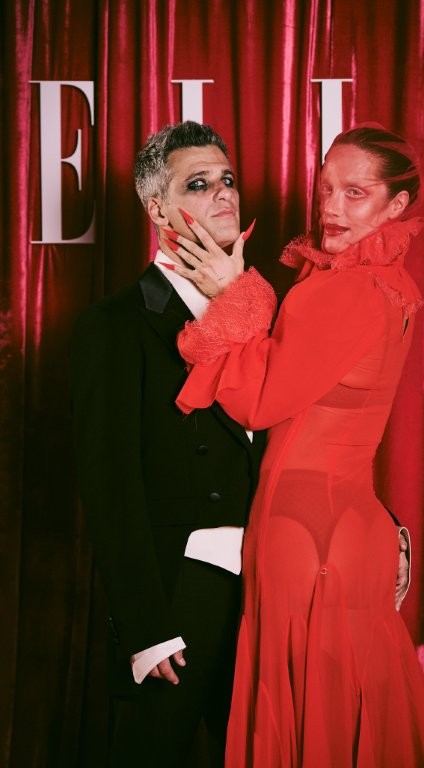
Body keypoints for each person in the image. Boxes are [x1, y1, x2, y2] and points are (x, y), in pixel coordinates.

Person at [170, 124, 424, 766]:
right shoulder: (393, 285)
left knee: (310, 728)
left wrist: (235, 295)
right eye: (326, 188)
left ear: (396, 205)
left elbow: (257, 403)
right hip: (346, 524)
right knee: (346, 719)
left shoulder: (346, 288)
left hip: (303, 535)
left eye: (355, 193)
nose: (331, 207)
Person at [70, 121, 268, 767]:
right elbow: (110, 487)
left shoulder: (268, 312)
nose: (223, 193)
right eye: (199, 183)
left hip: (269, 590)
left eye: (227, 179)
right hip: (176, 593)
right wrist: (145, 627)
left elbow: (308, 441)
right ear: (157, 209)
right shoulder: (114, 325)